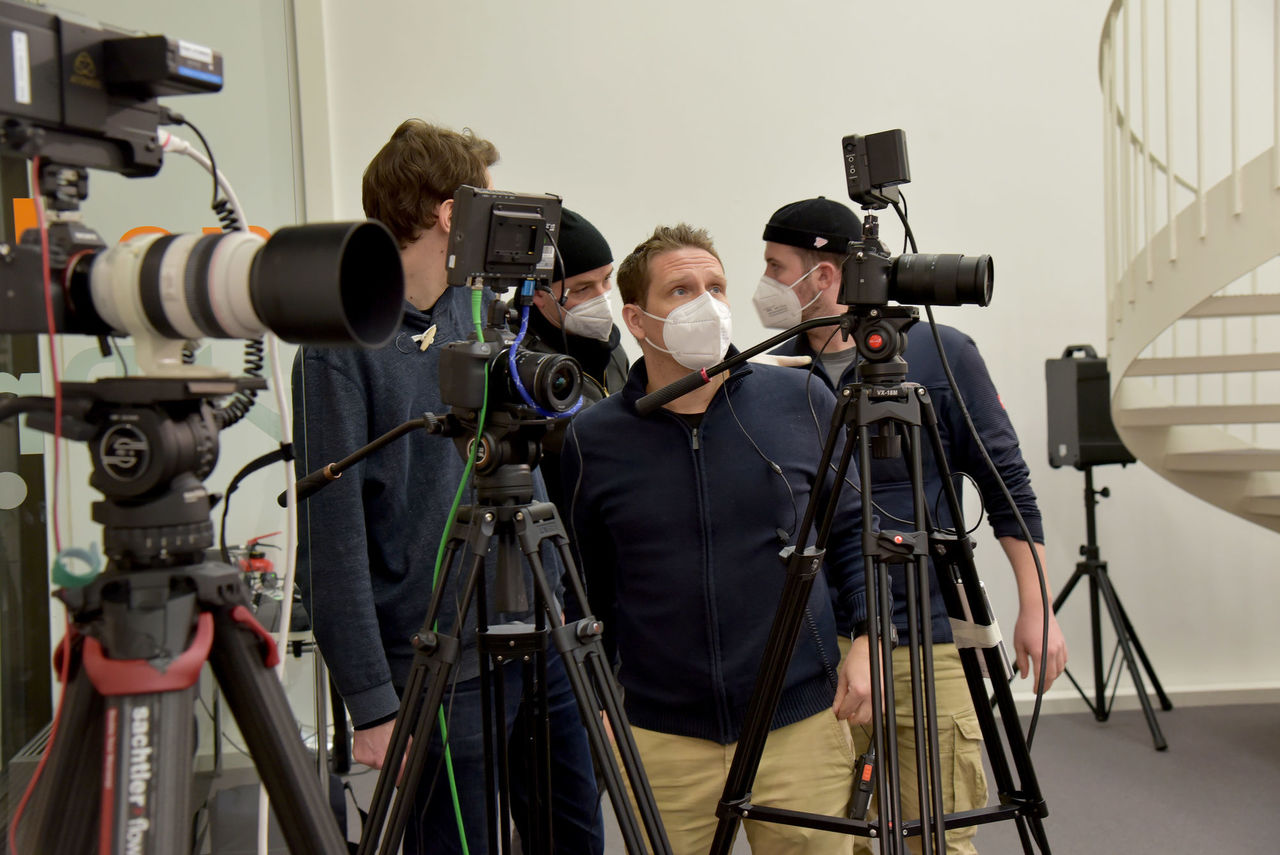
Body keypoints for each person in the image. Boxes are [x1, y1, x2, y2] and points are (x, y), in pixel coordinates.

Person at [292, 119, 604, 855]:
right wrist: (370, 702)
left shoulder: (483, 314)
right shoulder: (341, 346)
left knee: (577, 836)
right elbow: (332, 538)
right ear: (448, 214)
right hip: (435, 669)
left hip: (540, 637)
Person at [755, 196, 1069, 855]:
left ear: (826, 275)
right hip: (816, 640)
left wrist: (1038, 607)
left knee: (940, 830)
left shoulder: (939, 353)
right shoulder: (775, 372)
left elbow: (1006, 483)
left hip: (927, 634)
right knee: (832, 835)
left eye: (775, 266)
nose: (766, 283)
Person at [562, 222, 878, 855]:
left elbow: (853, 535)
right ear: (637, 318)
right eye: (681, 289)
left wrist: (870, 637)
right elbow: (582, 587)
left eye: (716, 286)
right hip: (661, 736)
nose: (707, 303)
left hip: (799, 723)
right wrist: (593, 695)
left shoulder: (801, 399)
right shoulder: (591, 439)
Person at [509, 207, 629, 510]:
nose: (602, 298)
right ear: (538, 294)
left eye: (606, 280)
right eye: (583, 288)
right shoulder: (518, 361)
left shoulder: (609, 345)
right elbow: (589, 436)